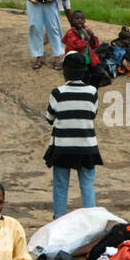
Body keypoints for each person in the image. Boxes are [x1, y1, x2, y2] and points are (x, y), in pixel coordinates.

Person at [44, 53, 102, 219]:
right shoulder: (92, 92)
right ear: (83, 72)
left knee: (61, 185)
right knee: (87, 184)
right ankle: (91, 220)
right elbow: (92, 114)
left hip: (63, 147)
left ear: (64, 72)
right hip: (87, 146)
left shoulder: (57, 93)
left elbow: (49, 117)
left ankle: (59, 219)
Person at [62, 10, 111, 87]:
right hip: (78, 61)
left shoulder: (86, 29)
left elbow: (94, 45)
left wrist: (92, 36)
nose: (79, 20)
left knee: (96, 74)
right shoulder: (70, 33)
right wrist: (86, 38)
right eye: (77, 18)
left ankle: (94, 85)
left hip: (88, 59)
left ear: (85, 20)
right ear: (71, 21)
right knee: (83, 77)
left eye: (82, 18)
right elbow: (76, 46)